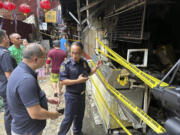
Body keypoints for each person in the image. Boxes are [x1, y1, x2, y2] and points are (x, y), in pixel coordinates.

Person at [6, 43, 61, 135]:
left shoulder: (20, 70)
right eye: (44, 57)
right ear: (36, 59)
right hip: (28, 130)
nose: (46, 59)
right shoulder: (26, 80)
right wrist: (53, 115)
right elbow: (36, 113)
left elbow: (25, 97)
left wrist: (46, 99)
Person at [58, 41, 102, 135]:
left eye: (77, 53)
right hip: (71, 96)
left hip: (82, 95)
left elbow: (89, 72)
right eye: (72, 53)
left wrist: (97, 67)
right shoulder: (66, 64)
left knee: (79, 116)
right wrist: (78, 81)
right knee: (68, 118)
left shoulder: (83, 62)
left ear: (81, 52)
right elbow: (62, 81)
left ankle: (77, 132)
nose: (74, 55)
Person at [0, 30, 17, 135]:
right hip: (7, 87)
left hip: (2, 85)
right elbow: (9, 76)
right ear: (3, 38)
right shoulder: (5, 54)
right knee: (10, 113)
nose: (8, 38)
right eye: (7, 36)